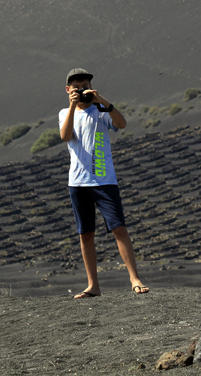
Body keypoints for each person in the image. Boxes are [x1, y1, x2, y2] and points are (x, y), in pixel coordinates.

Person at [59, 68, 149, 298]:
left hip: (104, 180)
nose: (81, 90)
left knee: (119, 228)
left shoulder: (101, 111)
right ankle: (93, 285)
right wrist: (72, 106)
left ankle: (134, 278)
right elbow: (65, 136)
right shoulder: (65, 113)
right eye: (76, 87)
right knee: (85, 233)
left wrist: (102, 101)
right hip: (78, 182)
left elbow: (122, 123)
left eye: (85, 86)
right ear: (68, 90)